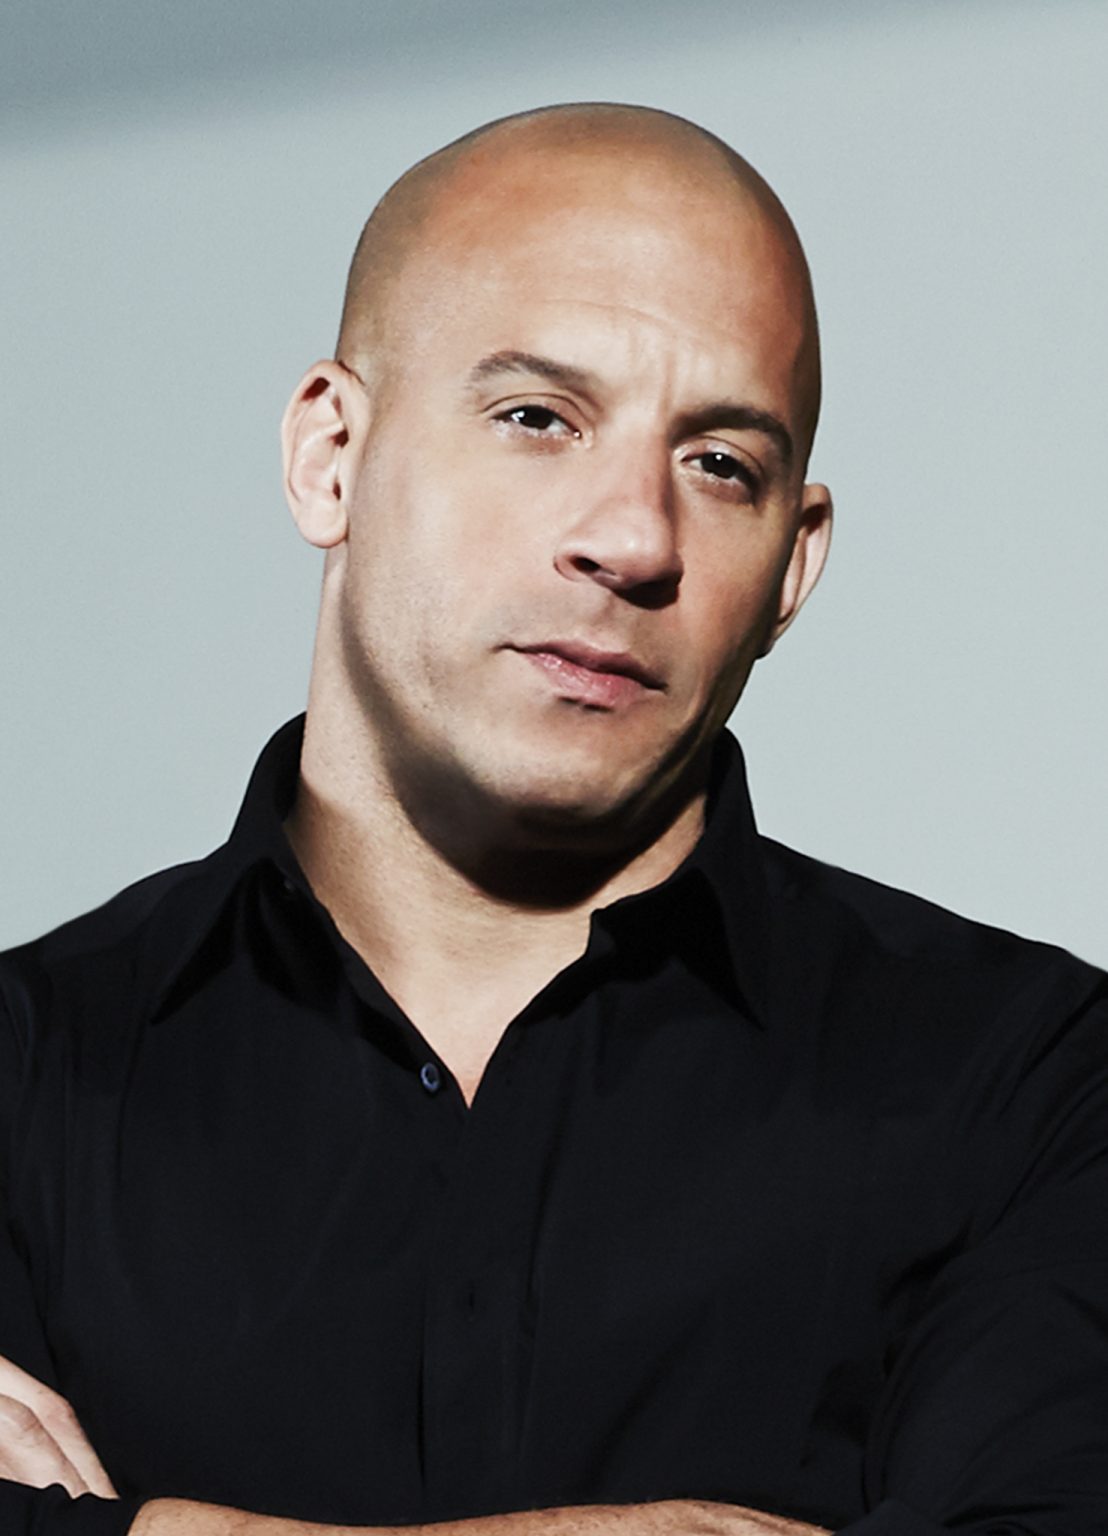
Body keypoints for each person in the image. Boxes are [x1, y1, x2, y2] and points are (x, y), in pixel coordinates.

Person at [0, 102, 1105, 1536]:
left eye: (722, 463)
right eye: (538, 418)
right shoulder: (21, 1076)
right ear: (331, 454)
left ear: (794, 567)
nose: (634, 538)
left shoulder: (1040, 1088)